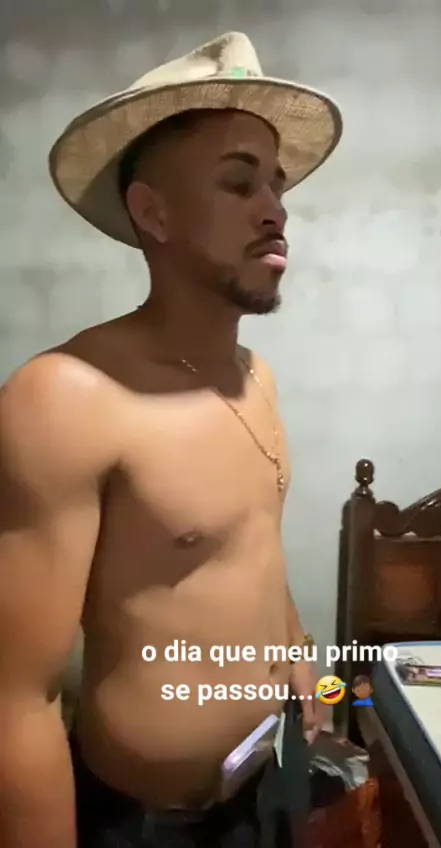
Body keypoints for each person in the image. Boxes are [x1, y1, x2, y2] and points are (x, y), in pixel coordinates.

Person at [0, 32, 342, 848]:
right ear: (152, 212)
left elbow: (251, 545)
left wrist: (301, 658)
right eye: (238, 182)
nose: (275, 208)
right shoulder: (65, 397)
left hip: (270, 778)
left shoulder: (256, 377)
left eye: (276, 182)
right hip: (148, 825)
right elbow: (16, 699)